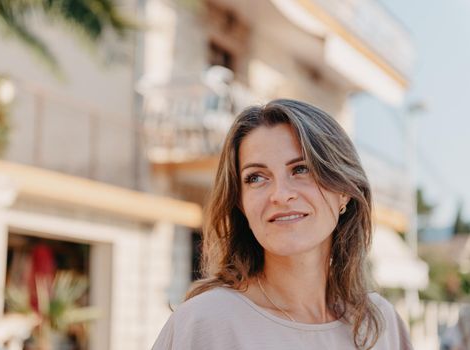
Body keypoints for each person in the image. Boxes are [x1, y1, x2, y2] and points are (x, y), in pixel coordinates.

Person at [152, 99, 413, 349]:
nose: (280, 194)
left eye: (301, 169)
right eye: (256, 178)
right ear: (241, 203)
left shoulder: (380, 325)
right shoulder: (205, 323)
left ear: (344, 191)